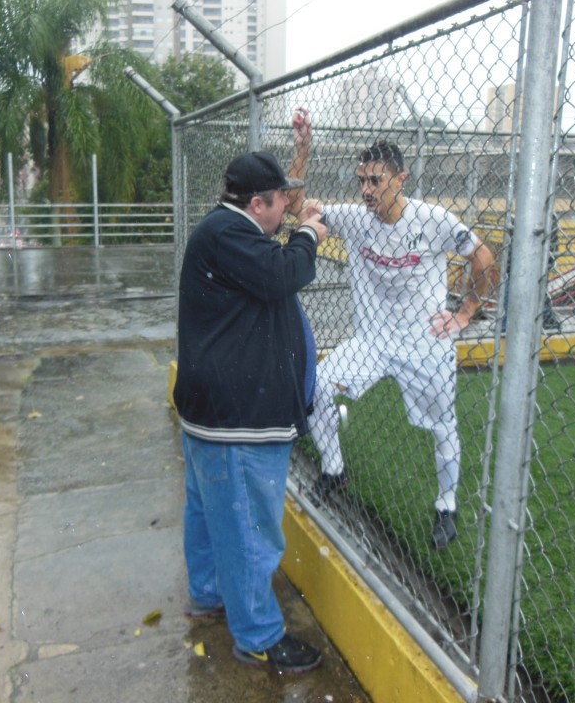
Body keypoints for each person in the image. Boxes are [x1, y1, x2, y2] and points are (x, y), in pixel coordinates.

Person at [289, 117, 495, 550]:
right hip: (371, 344)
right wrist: (304, 149)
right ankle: (334, 469)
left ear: (400, 179)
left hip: (426, 346)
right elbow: (297, 207)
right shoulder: (354, 218)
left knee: (443, 427)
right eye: (361, 179)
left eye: (376, 180)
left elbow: (484, 258)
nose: (366, 189)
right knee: (317, 387)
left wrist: (467, 313)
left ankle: (446, 505)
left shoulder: (432, 219)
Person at [173, 149, 329, 672]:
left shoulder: (232, 232)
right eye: (282, 200)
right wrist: (308, 235)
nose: (288, 207)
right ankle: (259, 637)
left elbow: (270, 265)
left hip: (212, 416)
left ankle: (208, 596)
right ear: (258, 203)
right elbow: (285, 273)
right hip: (235, 422)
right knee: (247, 529)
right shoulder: (227, 234)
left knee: (209, 516)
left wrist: (296, 224)